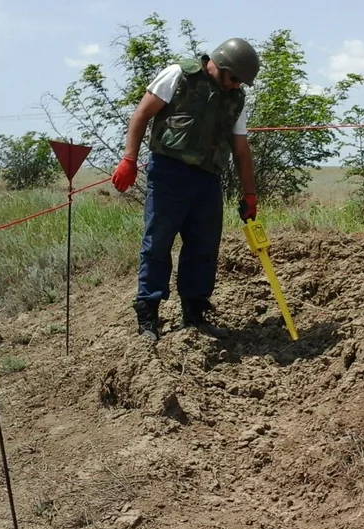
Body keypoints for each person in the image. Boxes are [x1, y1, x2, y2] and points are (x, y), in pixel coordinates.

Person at [110, 38, 261, 341]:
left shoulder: (235, 98)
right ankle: (148, 316)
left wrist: (250, 194)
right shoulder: (179, 75)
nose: (236, 86)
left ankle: (195, 314)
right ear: (220, 66)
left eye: (241, 83)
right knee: (158, 243)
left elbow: (241, 149)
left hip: (207, 179)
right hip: (169, 172)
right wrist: (129, 158)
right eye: (234, 79)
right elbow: (141, 114)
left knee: (203, 247)